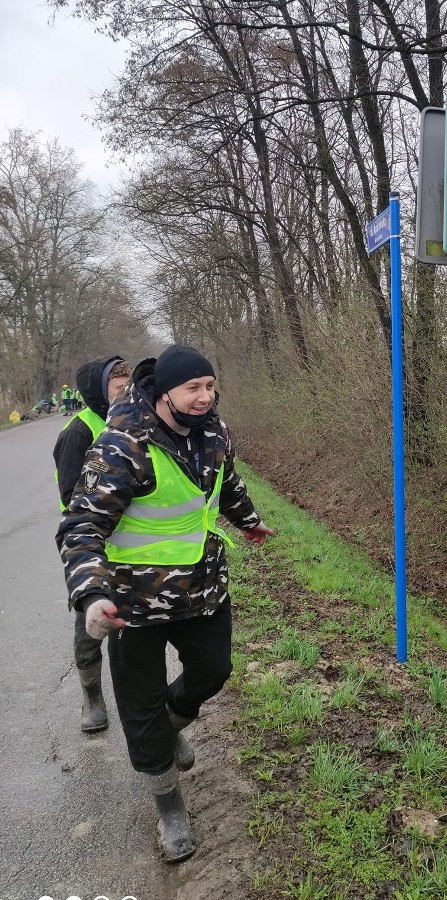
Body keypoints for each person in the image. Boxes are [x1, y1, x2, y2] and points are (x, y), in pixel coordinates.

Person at [57, 345, 273, 862]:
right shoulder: (121, 444)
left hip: (202, 588)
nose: (205, 397)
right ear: (165, 392)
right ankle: (168, 803)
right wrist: (91, 593)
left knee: (214, 671)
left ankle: (174, 723)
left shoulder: (216, 432)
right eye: (193, 388)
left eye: (210, 386)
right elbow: (81, 525)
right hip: (132, 603)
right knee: (140, 705)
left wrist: (247, 520)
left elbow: (226, 482)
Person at [53, 356, 132, 732]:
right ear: (100, 393)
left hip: (135, 552)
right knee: (90, 629)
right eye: (119, 388)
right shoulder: (78, 433)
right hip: (95, 551)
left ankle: (148, 719)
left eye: (129, 386)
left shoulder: (137, 423)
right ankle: (92, 698)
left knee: (136, 637)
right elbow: (72, 499)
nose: (127, 393)